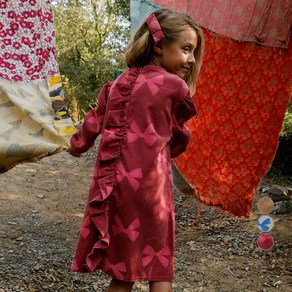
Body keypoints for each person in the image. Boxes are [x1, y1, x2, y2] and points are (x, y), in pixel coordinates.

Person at [67, 8, 204, 292]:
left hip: (116, 189)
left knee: (123, 271)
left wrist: (76, 146)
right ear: (159, 45)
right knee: (159, 264)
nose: (191, 59)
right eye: (186, 49)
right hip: (152, 191)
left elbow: (93, 123)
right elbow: (178, 137)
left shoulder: (117, 83)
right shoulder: (174, 87)